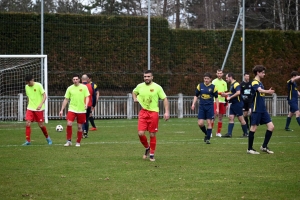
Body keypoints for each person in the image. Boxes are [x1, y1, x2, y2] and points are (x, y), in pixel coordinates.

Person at [132, 70, 170, 162]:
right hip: (143, 112)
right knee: (140, 133)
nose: (146, 78)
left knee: (152, 134)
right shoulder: (140, 86)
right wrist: (135, 99)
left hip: (153, 113)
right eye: (145, 76)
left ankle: (152, 154)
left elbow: (165, 99)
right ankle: (147, 148)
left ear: (152, 77)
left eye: (148, 76)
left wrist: (167, 112)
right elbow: (134, 92)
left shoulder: (157, 87)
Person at [247, 65, 275, 154]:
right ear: (258, 73)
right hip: (256, 109)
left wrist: (266, 91)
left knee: (271, 127)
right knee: (253, 128)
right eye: (263, 72)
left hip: (263, 109)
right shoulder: (254, 82)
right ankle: (250, 149)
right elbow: (259, 90)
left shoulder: (260, 82)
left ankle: (264, 146)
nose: (264, 74)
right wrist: (268, 91)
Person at [59, 74, 90, 147]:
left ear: (79, 80)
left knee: (79, 127)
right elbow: (66, 99)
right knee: (69, 123)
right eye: (74, 79)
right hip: (72, 109)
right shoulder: (70, 88)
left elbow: (87, 97)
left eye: (76, 79)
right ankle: (68, 141)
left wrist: (86, 104)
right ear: (72, 80)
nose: (75, 81)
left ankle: (78, 142)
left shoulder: (84, 87)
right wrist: (61, 110)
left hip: (81, 110)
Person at [23, 75, 52, 145]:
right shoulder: (26, 87)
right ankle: (28, 141)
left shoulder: (39, 85)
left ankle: (48, 138)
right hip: (30, 108)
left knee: (41, 125)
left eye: (29, 82)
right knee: (27, 123)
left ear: (32, 80)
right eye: (27, 82)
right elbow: (28, 97)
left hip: (39, 109)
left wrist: (40, 104)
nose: (28, 84)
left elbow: (45, 96)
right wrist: (28, 106)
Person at [191, 72, 219, 144]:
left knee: (209, 122)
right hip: (202, 107)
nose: (206, 80)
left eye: (207, 79)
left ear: (210, 79)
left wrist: (217, 108)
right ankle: (207, 133)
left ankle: (208, 139)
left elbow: (216, 98)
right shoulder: (200, 86)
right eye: (205, 78)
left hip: (210, 107)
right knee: (200, 123)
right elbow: (196, 95)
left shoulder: (213, 87)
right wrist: (193, 104)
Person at [221, 72, 248, 138]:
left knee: (241, 118)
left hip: (238, 104)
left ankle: (246, 133)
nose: (226, 79)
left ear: (231, 77)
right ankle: (229, 134)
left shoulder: (236, 84)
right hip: (233, 104)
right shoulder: (232, 84)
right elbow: (232, 92)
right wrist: (226, 94)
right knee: (231, 117)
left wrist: (230, 97)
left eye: (227, 78)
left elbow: (238, 92)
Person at [212, 69, 228, 137]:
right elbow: (212, 91)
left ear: (222, 74)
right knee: (213, 116)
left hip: (222, 101)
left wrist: (226, 102)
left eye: (220, 73)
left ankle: (218, 132)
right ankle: (210, 132)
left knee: (220, 117)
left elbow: (226, 93)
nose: (219, 74)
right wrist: (220, 93)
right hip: (216, 101)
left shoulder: (224, 82)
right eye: (218, 73)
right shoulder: (214, 82)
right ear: (216, 74)